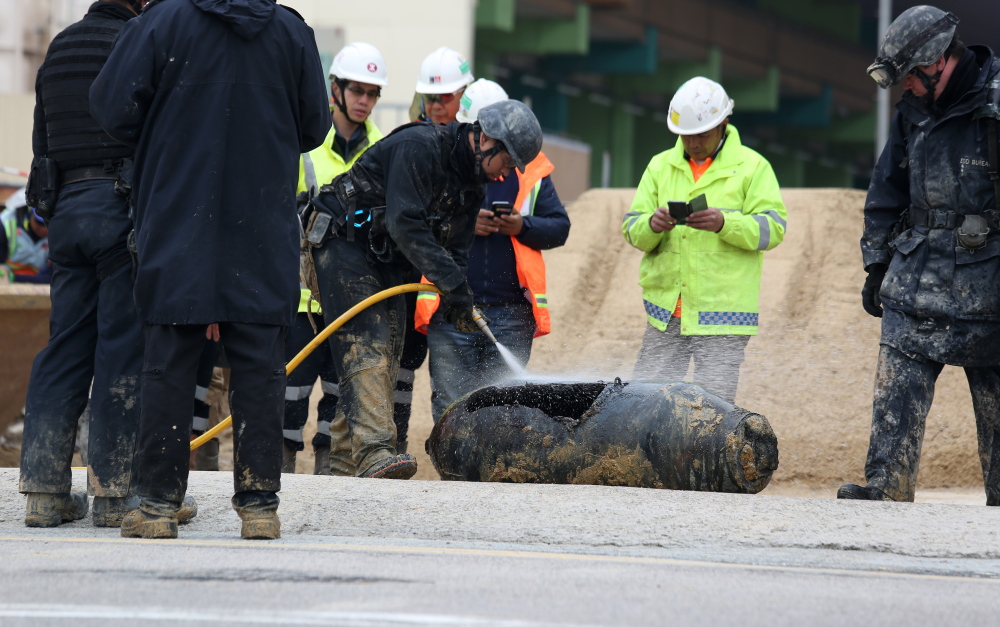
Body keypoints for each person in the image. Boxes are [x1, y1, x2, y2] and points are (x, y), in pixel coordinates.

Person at [90, 0, 330, 539]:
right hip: (262, 225)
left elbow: (109, 108)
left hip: (179, 219)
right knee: (260, 367)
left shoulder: (160, 22)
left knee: (170, 362)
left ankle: (155, 506)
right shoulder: (290, 32)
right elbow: (314, 126)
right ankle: (259, 507)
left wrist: (167, 127)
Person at [303, 99, 543, 479]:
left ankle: (343, 463)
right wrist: (451, 283)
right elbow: (406, 223)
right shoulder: (421, 146)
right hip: (343, 241)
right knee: (370, 341)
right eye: (506, 162)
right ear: (486, 139)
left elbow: (456, 251)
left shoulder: (472, 186)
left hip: (388, 256)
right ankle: (375, 451)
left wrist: (457, 300)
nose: (504, 174)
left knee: (391, 346)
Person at [839, 7, 1000, 504]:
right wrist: (877, 263)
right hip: (917, 278)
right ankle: (887, 488)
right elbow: (886, 190)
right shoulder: (913, 112)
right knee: (897, 383)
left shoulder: (994, 106)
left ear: (937, 64)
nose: (902, 88)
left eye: (908, 76)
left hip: (990, 288)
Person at [17, 0, 149, 530]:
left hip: (66, 212)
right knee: (120, 349)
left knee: (64, 347)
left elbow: (41, 140)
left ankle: (45, 493)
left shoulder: (61, 46)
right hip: (118, 208)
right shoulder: (136, 40)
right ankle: (115, 495)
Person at [621, 76, 787, 405]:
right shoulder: (659, 166)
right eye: (686, 136)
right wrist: (651, 225)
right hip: (667, 312)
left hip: (723, 316)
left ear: (724, 123)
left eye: (702, 135)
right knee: (644, 403)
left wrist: (725, 223)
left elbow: (773, 229)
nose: (693, 143)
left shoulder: (753, 168)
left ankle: (703, 460)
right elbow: (631, 227)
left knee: (712, 411)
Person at [417, 80, 571, 419]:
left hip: (511, 313)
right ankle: (456, 474)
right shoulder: (440, 160)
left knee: (504, 414)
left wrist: (521, 226)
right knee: (451, 410)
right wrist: (467, 224)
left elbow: (559, 227)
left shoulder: (532, 169)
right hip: (451, 309)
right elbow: (414, 224)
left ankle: (492, 474)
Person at [285, 42, 387, 475]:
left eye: (372, 93)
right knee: (285, 406)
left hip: (350, 304)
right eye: (357, 91)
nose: (364, 101)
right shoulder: (303, 144)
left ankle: (331, 484)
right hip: (299, 302)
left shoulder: (383, 148)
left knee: (337, 409)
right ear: (335, 89)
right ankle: (277, 477)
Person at [410, 46, 475, 124]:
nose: (436, 106)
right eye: (429, 97)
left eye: (445, 96)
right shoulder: (414, 134)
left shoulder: (479, 135)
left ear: (465, 94)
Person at [1, 187, 51, 284]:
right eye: (40, 223)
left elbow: (53, 278)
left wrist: (15, 278)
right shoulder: (5, 225)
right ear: (30, 214)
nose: (44, 229)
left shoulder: (62, 234)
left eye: (48, 224)